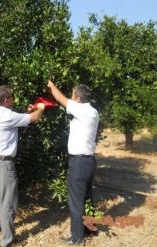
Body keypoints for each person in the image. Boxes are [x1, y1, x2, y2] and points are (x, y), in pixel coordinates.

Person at [0, 85, 45, 247]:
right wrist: (41, 108)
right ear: (5, 100)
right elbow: (34, 119)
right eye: (12, 97)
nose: (14, 99)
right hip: (3, 165)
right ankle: (8, 241)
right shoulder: (7, 116)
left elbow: (16, 119)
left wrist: (27, 111)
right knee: (8, 203)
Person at [47, 80, 99, 245]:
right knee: (87, 198)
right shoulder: (93, 111)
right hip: (90, 161)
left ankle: (77, 239)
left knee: (76, 201)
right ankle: (89, 230)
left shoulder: (81, 109)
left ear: (77, 97)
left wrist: (51, 85)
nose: (70, 97)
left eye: (72, 95)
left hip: (79, 163)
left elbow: (59, 98)